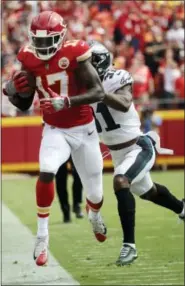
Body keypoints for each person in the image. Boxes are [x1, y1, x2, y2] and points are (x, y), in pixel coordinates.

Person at [4, 11, 108, 267]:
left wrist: (68, 101)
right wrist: (13, 93)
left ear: (61, 37)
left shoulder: (75, 53)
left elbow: (98, 92)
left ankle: (93, 215)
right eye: (36, 41)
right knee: (47, 169)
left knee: (95, 193)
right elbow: (26, 101)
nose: (41, 46)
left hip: (84, 129)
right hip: (55, 129)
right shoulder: (28, 58)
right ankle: (42, 237)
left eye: (46, 40)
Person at [88, 40, 185, 266]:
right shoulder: (84, 88)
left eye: (88, 63)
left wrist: (98, 93)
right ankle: (182, 208)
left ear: (100, 63)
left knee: (121, 181)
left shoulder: (116, 78)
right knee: (149, 192)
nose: (83, 69)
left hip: (138, 146)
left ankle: (129, 246)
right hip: (118, 152)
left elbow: (123, 103)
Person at [56, 157, 84, 223]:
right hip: (58, 150)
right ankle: (66, 212)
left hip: (73, 148)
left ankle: (76, 204)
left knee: (79, 174)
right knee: (60, 181)